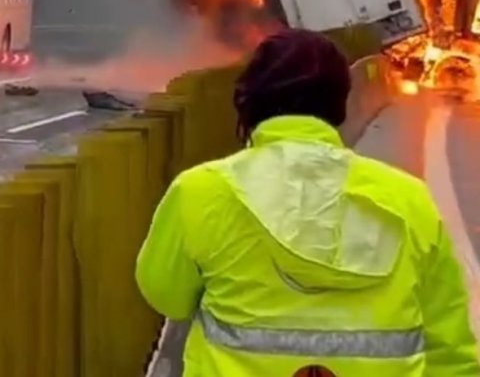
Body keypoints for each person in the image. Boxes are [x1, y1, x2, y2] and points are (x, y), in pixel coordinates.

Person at [135, 28, 478, 376]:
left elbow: (167, 296)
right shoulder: (408, 200)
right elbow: (450, 348)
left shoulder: (201, 191)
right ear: (342, 105)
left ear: (248, 103)